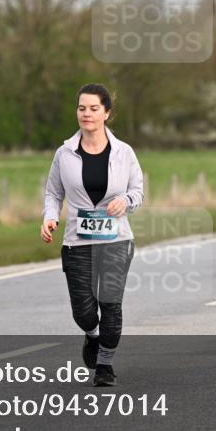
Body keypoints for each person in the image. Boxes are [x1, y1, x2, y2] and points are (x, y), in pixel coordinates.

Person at [42, 84, 144, 386]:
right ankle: (92, 335)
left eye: (93, 108)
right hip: (77, 241)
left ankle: (105, 366)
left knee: (110, 304)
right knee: (85, 310)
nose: (86, 114)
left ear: (107, 113)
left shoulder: (124, 153)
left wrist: (124, 201)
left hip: (116, 240)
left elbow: (138, 191)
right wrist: (49, 218)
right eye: (81, 108)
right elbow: (53, 193)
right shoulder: (64, 154)